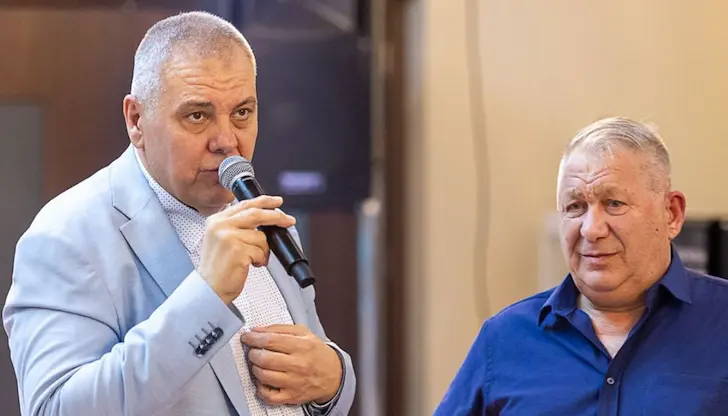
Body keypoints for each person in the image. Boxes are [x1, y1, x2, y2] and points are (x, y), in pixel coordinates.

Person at [3, 11, 355, 416]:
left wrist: (333, 379)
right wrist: (206, 296)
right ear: (136, 121)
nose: (227, 141)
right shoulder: (65, 237)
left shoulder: (263, 218)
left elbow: (313, 372)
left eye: (242, 112)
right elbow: (55, 409)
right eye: (197, 116)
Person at [435, 117, 728, 415]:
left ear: (671, 214)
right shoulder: (504, 338)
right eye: (575, 207)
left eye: (614, 203)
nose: (591, 229)